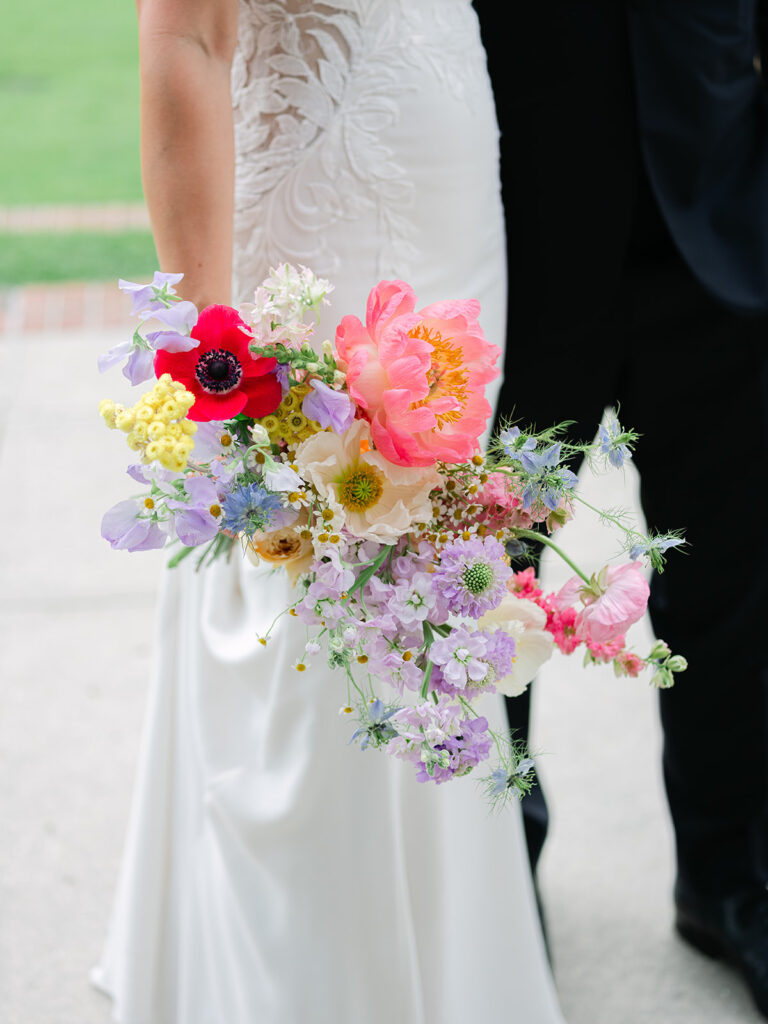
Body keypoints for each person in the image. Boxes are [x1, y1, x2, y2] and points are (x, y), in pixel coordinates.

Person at [92, 2, 568, 1022]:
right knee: (303, 605)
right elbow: (188, 35)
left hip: (445, 203)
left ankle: (442, 975)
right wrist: (207, 335)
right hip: (317, 198)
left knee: (434, 582)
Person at [474, 1, 768, 1018]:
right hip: (512, 226)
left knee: (739, 578)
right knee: (484, 587)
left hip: (722, 204)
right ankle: (493, 879)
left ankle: (735, 878)